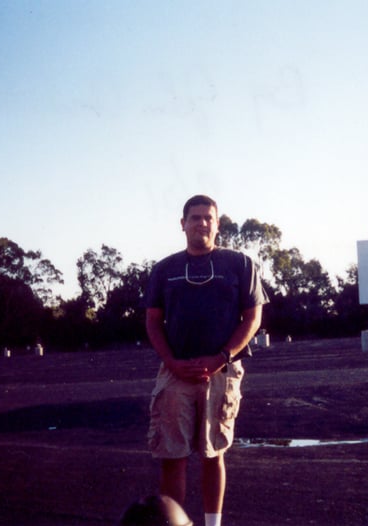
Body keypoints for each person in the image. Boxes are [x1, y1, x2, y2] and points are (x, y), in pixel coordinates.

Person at [144, 195, 268, 526]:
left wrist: (221, 357)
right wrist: (170, 361)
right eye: (194, 217)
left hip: (222, 372)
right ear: (182, 224)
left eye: (208, 218)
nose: (201, 223)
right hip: (176, 372)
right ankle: (175, 522)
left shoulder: (240, 264)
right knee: (173, 455)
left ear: (217, 224)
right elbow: (153, 321)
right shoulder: (164, 270)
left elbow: (252, 317)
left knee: (213, 453)